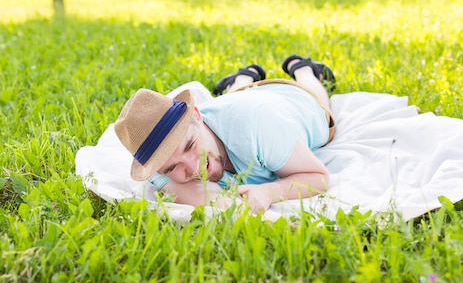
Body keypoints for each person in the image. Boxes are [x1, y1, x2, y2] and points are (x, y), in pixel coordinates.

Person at [113, 55, 337, 213]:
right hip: (235, 101)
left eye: (190, 145)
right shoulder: (156, 167)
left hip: (294, 99)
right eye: (172, 168)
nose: (194, 169)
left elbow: (318, 177)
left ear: (197, 115)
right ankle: (244, 77)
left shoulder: (259, 126)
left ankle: (302, 67)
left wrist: (271, 191)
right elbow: (207, 200)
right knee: (235, 94)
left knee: (315, 95)